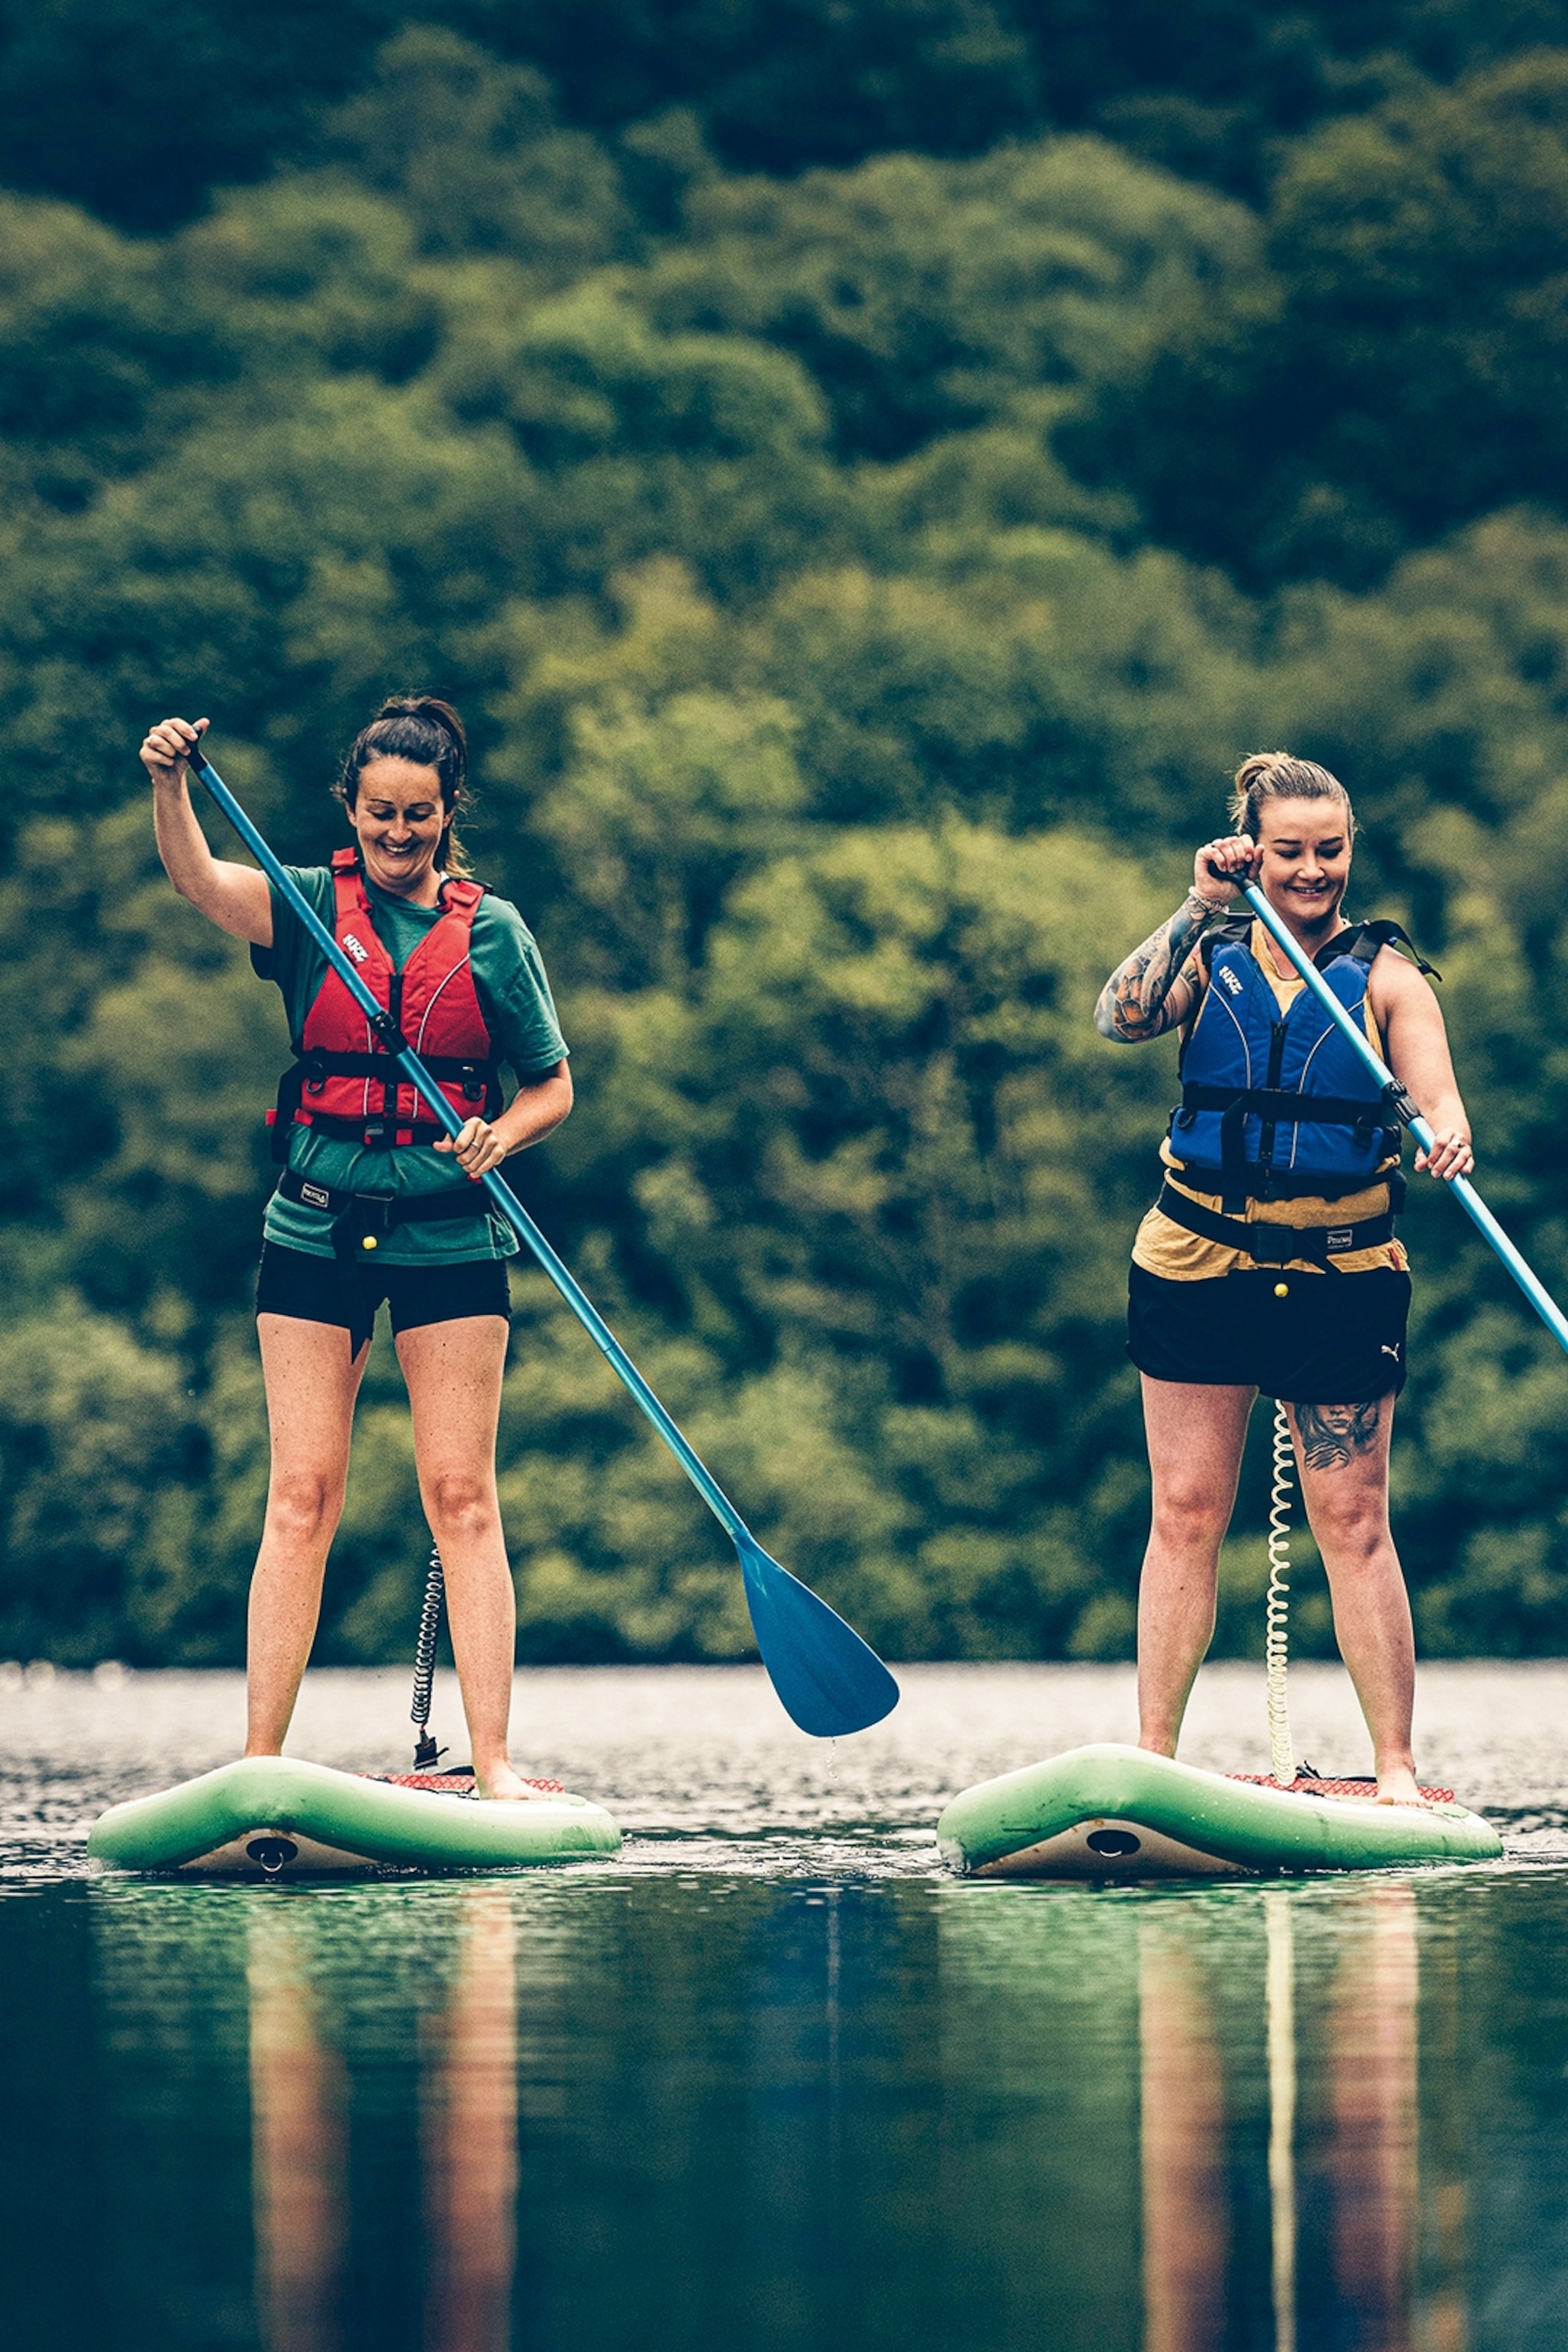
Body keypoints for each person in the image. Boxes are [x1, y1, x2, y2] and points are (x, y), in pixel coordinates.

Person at [142, 697, 574, 1800]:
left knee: (461, 1494)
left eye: (419, 816)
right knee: (303, 1494)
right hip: (316, 1227)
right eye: (380, 814)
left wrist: (501, 1135)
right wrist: (170, 786)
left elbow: (551, 1085)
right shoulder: (299, 906)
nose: (398, 834)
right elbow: (199, 880)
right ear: (353, 807)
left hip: (448, 1234)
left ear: (447, 813)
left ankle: (501, 1768)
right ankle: (259, 1763)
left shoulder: (493, 934)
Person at [1095, 752, 1474, 1805]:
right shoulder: (1208, 953)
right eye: (1291, 851)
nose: (1314, 872)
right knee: (1184, 1509)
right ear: (1252, 850)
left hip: (1340, 1271)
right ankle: (1153, 1763)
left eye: (1332, 850)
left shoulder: (1386, 977)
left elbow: (1441, 1103)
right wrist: (1196, 903)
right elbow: (1119, 1018)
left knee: (1352, 1521)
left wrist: (1446, 1138)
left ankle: (1395, 1770)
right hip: (1196, 1256)